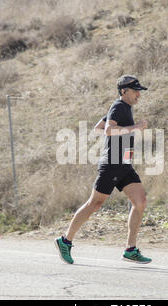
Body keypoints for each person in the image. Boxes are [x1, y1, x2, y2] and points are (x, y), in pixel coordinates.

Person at [55, 75, 152, 264]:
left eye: (139, 91)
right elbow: (107, 130)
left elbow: (97, 129)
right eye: (135, 91)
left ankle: (130, 249)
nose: (138, 94)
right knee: (95, 204)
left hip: (124, 165)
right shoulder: (118, 106)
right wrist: (135, 127)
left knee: (140, 202)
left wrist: (122, 134)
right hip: (111, 165)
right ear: (124, 91)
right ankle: (65, 241)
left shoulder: (123, 108)